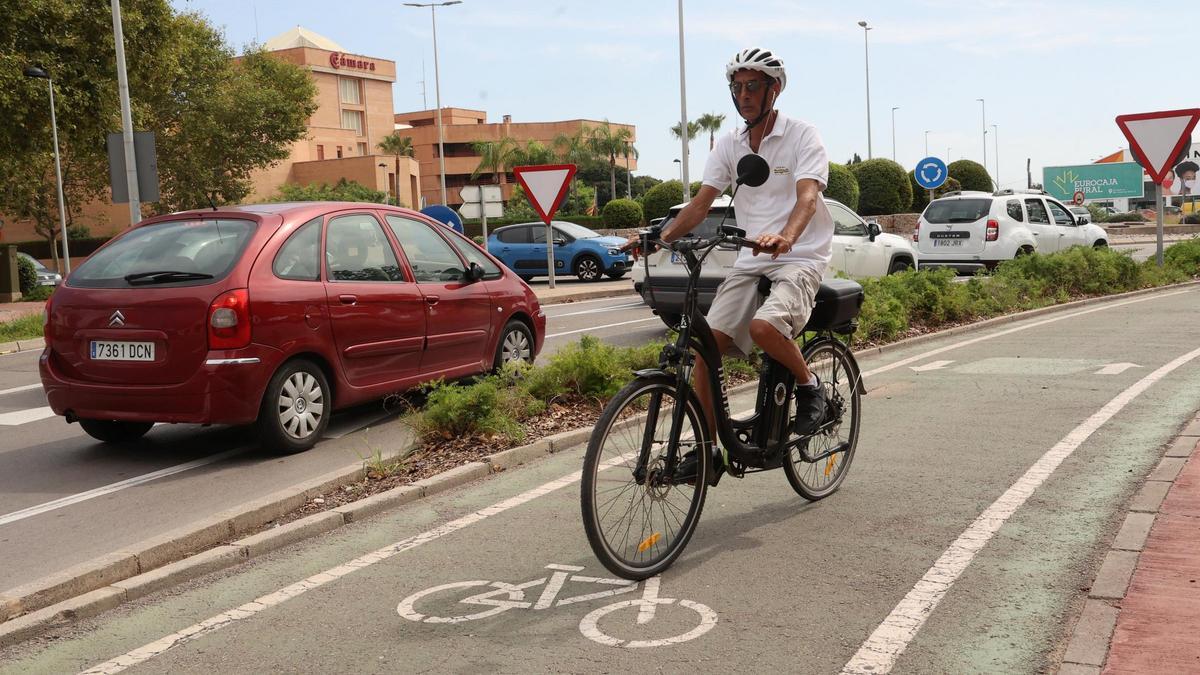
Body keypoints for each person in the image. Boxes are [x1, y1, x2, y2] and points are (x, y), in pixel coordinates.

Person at [627, 47, 835, 481]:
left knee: (764, 327)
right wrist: (658, 239)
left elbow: (807, 197)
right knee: (704, 350)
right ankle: (708, 452)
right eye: (737, 87)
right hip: (751, 258)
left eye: (752, 86)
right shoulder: (730, 144)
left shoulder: (802, 135)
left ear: (774, 90)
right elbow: (701, 205)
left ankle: (810, 386)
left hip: (799, 256)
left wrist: (786, 237)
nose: (743, 95)